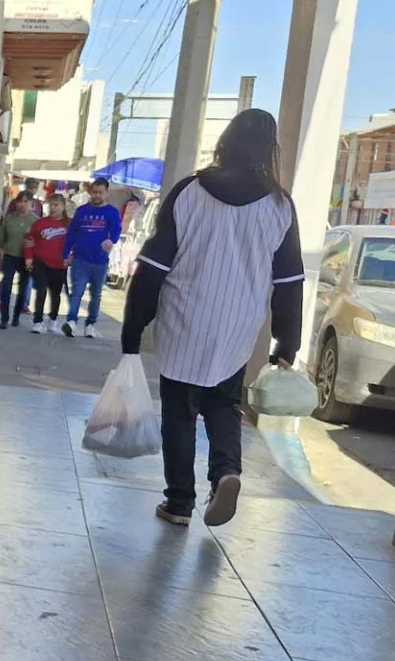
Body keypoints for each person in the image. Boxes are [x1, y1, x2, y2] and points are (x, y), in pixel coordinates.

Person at [120, 108, 305, 527]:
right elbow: (291, 279)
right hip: (239, 322)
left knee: (180, 411)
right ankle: (226, 472)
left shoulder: (189, 191)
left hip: (184, 316)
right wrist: (286, 341)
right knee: (223, 403)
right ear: (268, 150)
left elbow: (154, 265)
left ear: (226, 141)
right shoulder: (279, 205)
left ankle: (179, 502)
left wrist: (134, 326)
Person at [61, 178, 123, 338]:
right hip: (80, 259)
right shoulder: (81, 211)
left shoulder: (112, 212)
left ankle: (90, 324)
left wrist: (111, 240)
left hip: (100, 261)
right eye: (94, 192)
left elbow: (116, 230)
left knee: (96, 295)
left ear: (106, 193)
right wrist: (65, 254)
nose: (96, 195)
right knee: (77, 292)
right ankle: (72, 322)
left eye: (100, 193)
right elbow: (71, 234)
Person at [25, 195, 72, 334]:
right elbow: (29, 240)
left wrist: (71, 257)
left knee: (56, 294)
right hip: (41, 262)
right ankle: (38, 320)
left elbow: (77, 242)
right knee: (41, 290)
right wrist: (29, 258)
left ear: (63, 206)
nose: (53, 208)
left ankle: (53, 319)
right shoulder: (40, 223)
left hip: (59, 264)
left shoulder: (69, 224)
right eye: (51, 205)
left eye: (56, 205)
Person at [0, 193, 38, 329]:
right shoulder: (9, 219)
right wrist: (1, 253)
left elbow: (39, 240)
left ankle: (16, 316)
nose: (22, 204)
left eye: (26, 202)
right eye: (20, 201)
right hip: (10, 256)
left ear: (31, 204)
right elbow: (1, 238)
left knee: (23, 288)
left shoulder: (35, 221)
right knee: (6, 286)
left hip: (26, 259)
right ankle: (4, 318)